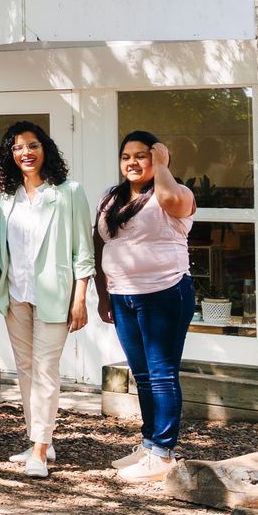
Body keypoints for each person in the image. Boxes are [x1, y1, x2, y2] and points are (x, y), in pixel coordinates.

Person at [0, 120, 93, 479]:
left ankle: (40, 450)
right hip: (16, 294)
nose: (25, 153)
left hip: (55, 296)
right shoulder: (6, 197)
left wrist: (80, 298)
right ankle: (38, 436)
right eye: (17, 147)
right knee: (26, 369)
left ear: (44, 149)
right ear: (10, 154)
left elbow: (84, 253)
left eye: (32, 145)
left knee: (46, 369)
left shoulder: (68, 192)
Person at [94, 131, 198, 483]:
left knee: (162, 373)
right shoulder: (113, 197)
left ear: (158, 158)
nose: (133, 163)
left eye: (143, 156)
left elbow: (170, 200)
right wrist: (103, 293)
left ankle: (164, 452)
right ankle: (150, 443)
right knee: (142, 375)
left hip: (165, 292)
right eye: (127, 156)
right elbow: (102, 244)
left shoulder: (176, 192)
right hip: (124, 295)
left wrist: (164, 167)